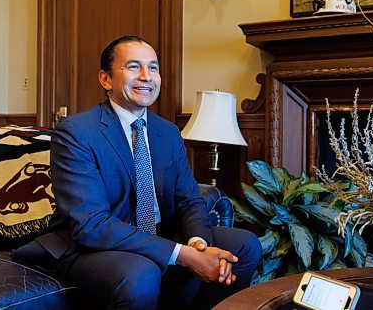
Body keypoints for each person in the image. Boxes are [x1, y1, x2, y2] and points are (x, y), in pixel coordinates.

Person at [17, 35, 261, 310]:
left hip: (157, 234)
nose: (147, 77)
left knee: (244, 246)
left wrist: (199, 245)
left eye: (153, 67)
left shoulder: (167, 132)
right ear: (105, 79)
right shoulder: (76, 132)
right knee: (140, 275)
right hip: (89, 245)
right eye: (133, 67)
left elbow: (189, 200)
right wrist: (184, 255)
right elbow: (92, 226)